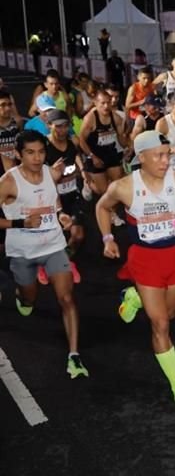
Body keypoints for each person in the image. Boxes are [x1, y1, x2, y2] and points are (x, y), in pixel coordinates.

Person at [96, 130, 175, 414]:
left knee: (170, 314)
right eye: (159, 155)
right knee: (160, 324)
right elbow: (101, 207)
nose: (165, 160)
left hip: (174, 257)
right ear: (141, 157)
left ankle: (133, 296)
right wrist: (108, 239)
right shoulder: (124, 186)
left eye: (167, 153)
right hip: (144, 260)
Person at [1, 130, 87, 379]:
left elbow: (53, 199)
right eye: (30, 153)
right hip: (23, 252)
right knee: (29, 299)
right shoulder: (8, 181)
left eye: (40, 152)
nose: (37, 158)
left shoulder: (51, 172)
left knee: (67, 298)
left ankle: (74, 355)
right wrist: (21, 223)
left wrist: (60, 214)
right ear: (18, 154)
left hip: (53, 246)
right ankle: (23, 296)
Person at [43, 110, 85, 273]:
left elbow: (74, 157)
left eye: (65, 126)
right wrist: (52, 173)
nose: (62, 130)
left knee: (78, 236)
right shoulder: (43, 148)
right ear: (49, 126)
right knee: (52, 239)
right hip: (51, 200)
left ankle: (64, 260)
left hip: (72, 196)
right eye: (58, 126)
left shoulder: (71, 143)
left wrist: (81, 171)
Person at [77, 90, 128, 198]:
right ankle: (88, 183)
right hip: (94, 153)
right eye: (103, 103)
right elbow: (81, 140)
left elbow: (121, 138)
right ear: (96, 103)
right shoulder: (90, 118)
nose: (106, 106)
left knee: (117, 185)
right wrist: (92, 156)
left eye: (108, 102)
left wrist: (128, 147)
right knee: (102, 190)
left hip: (110, 152)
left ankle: (113, 212)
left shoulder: (116, 118)